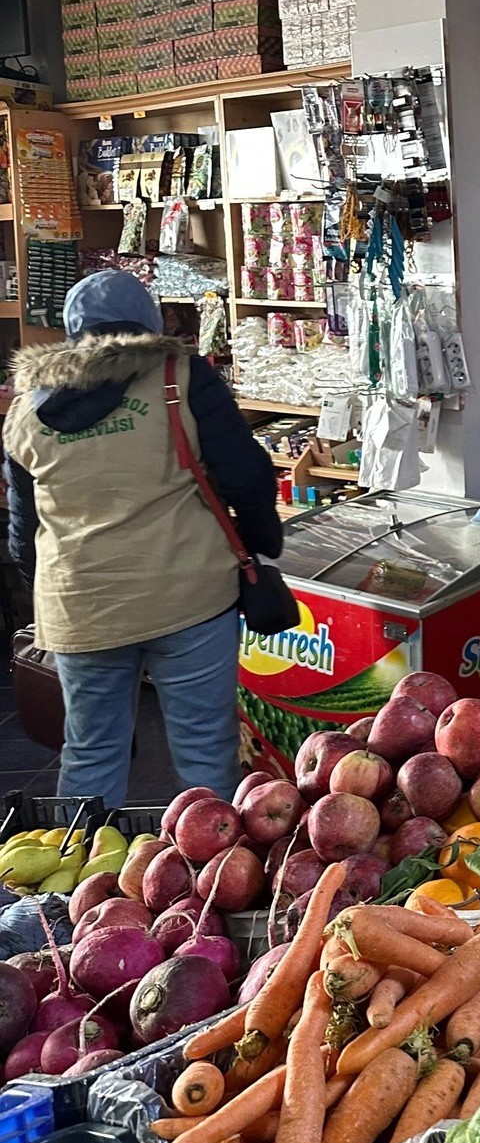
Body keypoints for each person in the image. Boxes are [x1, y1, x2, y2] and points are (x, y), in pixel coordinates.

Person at [3, 271, 283, 807]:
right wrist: (260, 543)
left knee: (89, 751)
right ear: (151, 321)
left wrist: (49, 590)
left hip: (81, 604)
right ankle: (218, 857)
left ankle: (78, 861)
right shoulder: (181, 376)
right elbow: (246, 476)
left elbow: (24, 527)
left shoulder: (26, 406)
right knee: (206, 751)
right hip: (190, 595)